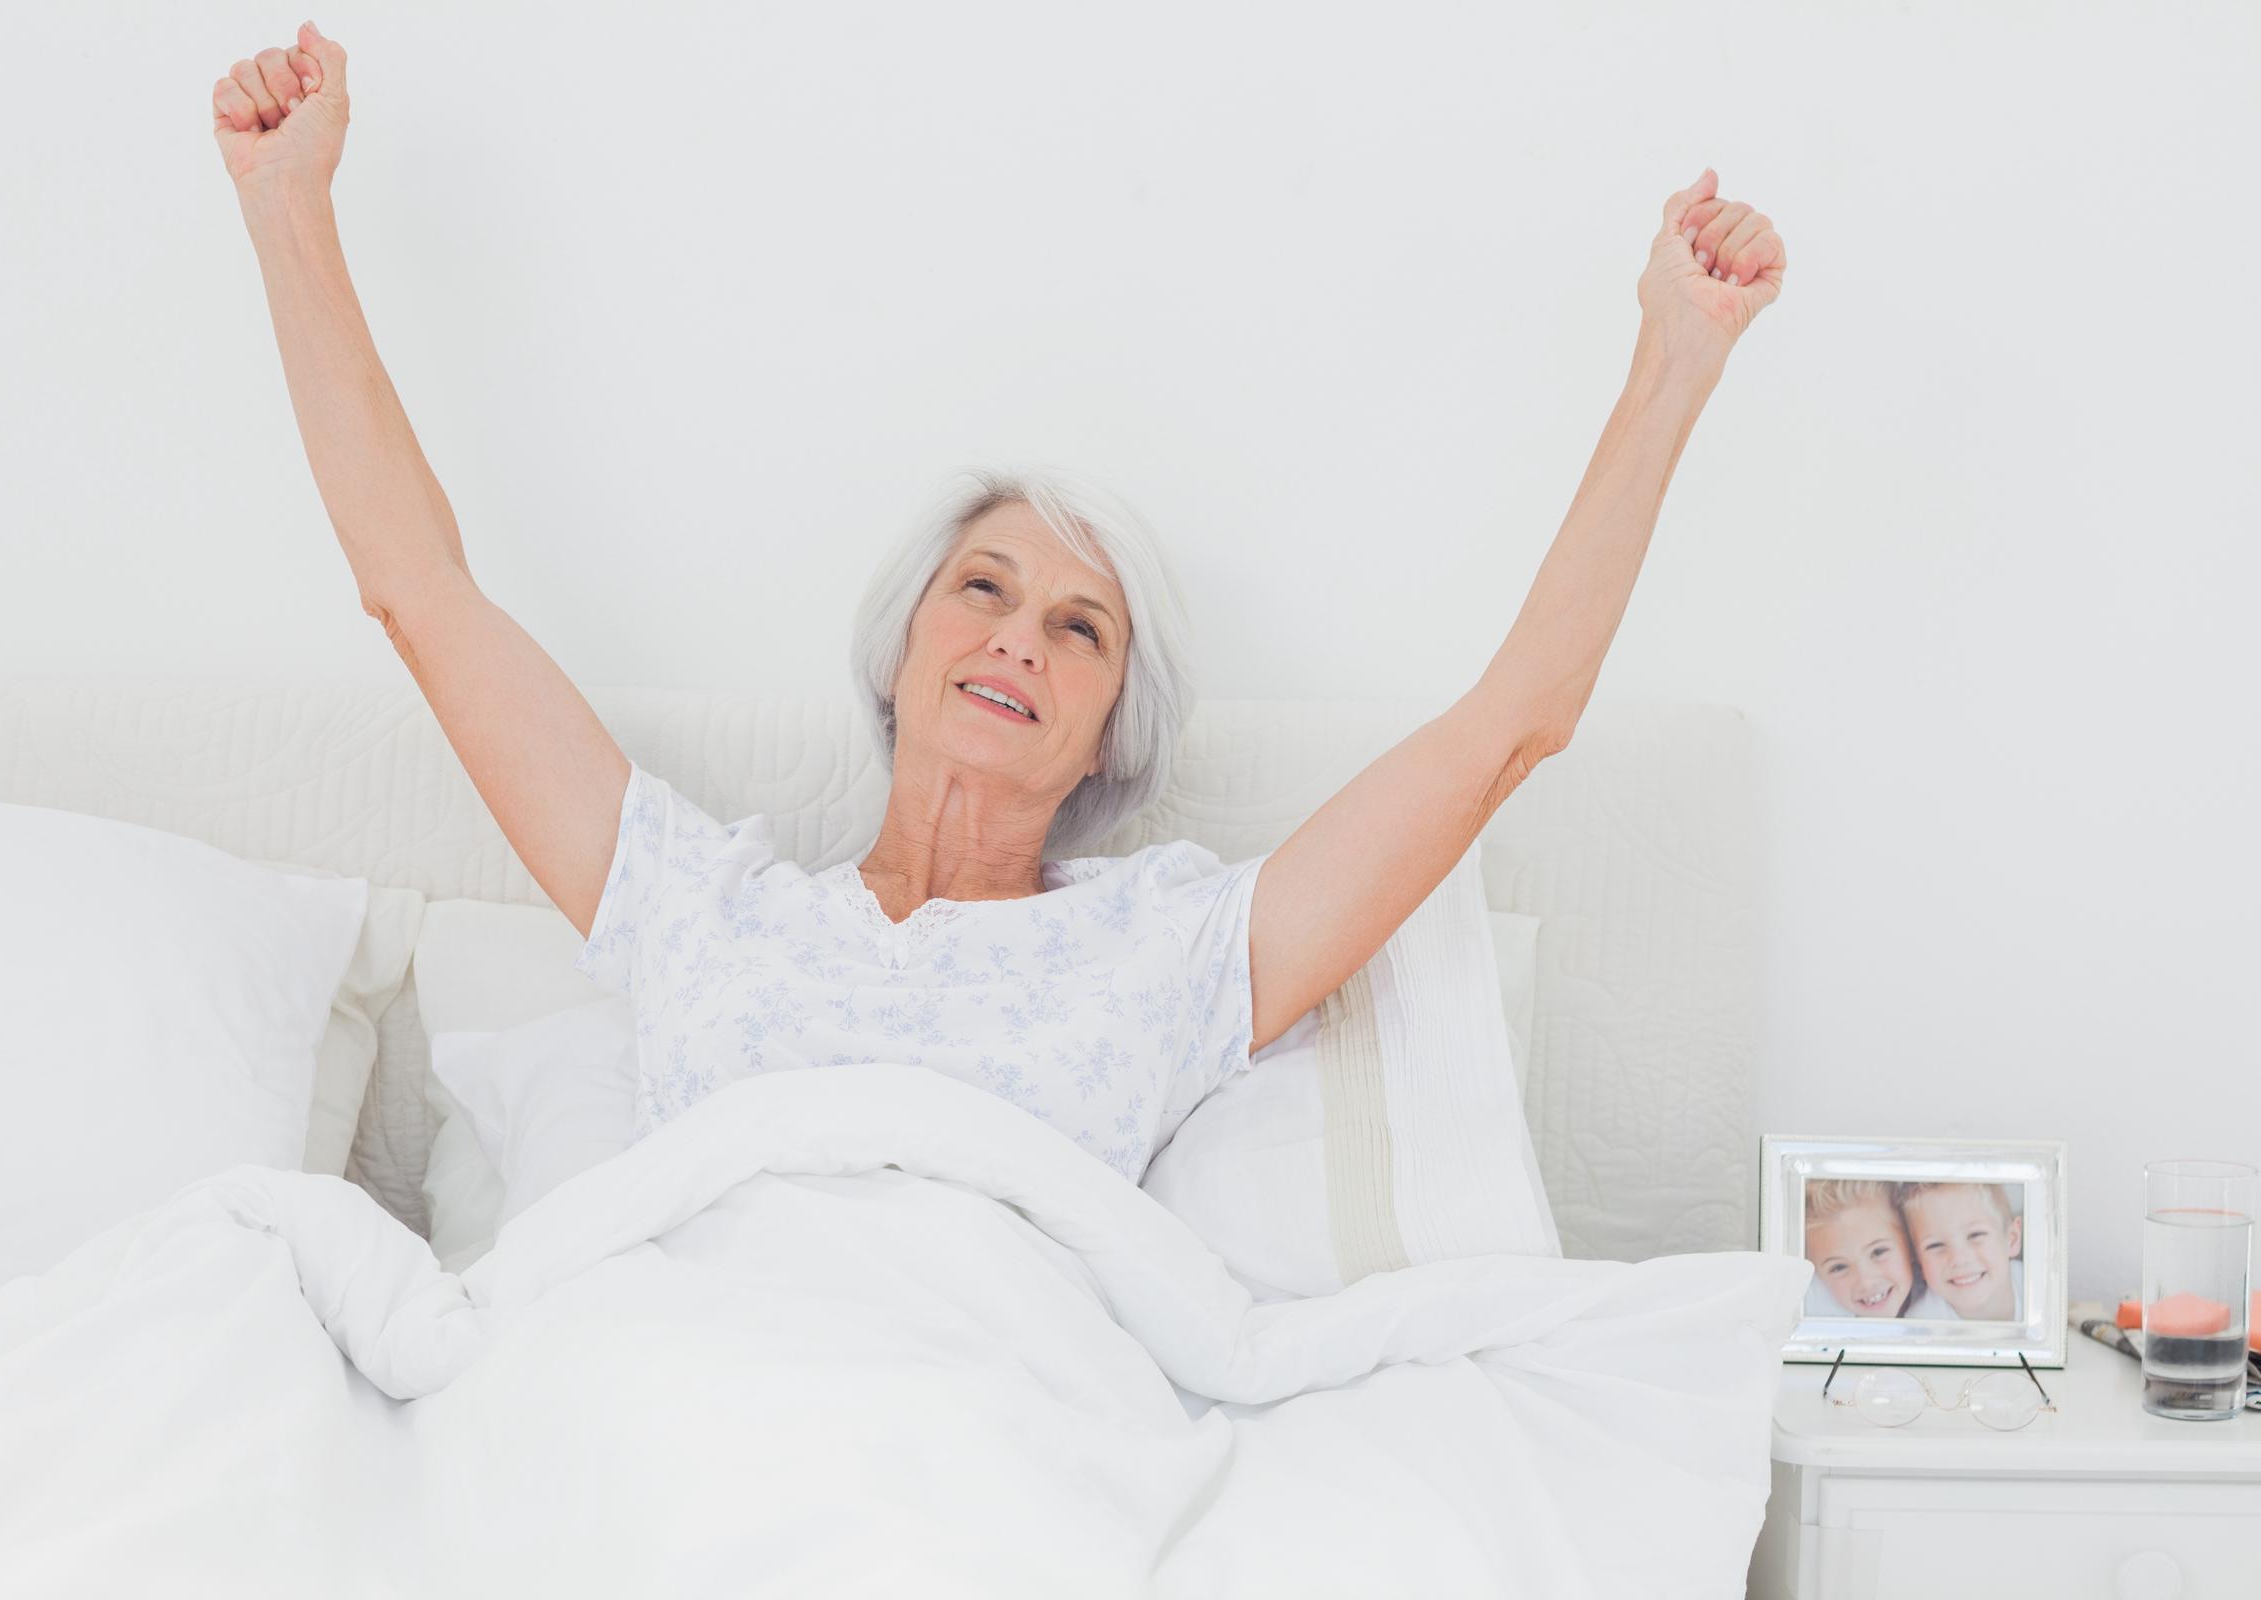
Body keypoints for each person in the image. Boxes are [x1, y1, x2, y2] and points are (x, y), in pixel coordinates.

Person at [210, 23, 1788, 1183]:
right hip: (709, 1384)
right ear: (904, 649)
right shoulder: (702, 908)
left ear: (1112, 735)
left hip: (1000, 1420)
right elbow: (418, 595)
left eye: (1080, 628)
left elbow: (1513, 731)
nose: (1020, 637)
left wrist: (1676, 359)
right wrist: (291, 210)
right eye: (984, 589)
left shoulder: (1169, 949)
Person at [1801, 1181, 1957, 1320]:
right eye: (1838, 1267)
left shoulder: (1947, 1298)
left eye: (1878, 1252)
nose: (1866, 1282)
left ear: (1910, 1245)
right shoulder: (1813, 1315)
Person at [1899, 1182, 2025, 1321]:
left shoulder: (2042, 1288)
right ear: (1919, 1262)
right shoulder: (1919, 1325)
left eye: (1975, 1235)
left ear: (2011, 1239)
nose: (1958, 1259)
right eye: (1935, 1245)